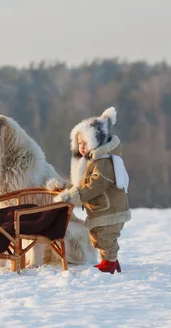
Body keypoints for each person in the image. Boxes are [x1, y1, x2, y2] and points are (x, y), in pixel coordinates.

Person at [51, 107, 131, 274]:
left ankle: (109, 263)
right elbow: (82, 183)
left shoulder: (103, 162)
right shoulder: (92, 162)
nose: (81, 147)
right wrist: (66, 187)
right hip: (100, 210)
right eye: (79, 143)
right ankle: (110, 261)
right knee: (97, 236)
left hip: (110, 210)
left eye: (85, 143)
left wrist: (72, 196)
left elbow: (95, 185)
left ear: (96, 140)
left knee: (106, 237)